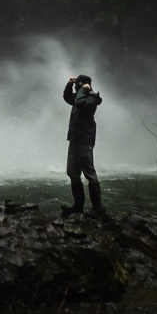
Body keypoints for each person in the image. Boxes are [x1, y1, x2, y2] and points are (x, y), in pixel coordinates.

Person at [62, 73, 105, 217]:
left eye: (77, 85)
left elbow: (80, 102)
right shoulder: (79, 96)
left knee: (90, 174)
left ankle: (98, 207)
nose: (76, 88)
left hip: (85, 141)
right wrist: (69, 85)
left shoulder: (92, 98)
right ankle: (78, 206)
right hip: (74, 139)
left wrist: (83, 89)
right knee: (73, 173)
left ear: (85, 85)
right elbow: (68, 98)